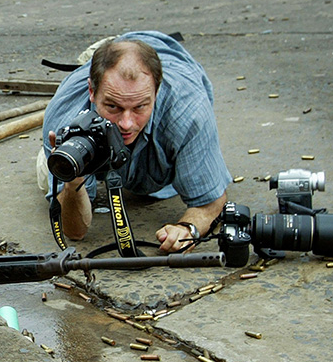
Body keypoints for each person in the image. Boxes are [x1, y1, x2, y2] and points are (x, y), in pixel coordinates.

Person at [41, 31, 232, 253]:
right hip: (94, 81)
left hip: (173, 60)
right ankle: (106, 49)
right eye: (113, 106)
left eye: (140, 107)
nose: (126, 123)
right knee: (55, 169)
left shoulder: (188, 110)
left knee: (172, 172)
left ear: (156, 93)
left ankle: (115, 46)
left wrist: (188, 228)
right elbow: (75, 232)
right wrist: (73, 182)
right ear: (92, 91)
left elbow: (211, 201)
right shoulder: (63, 118)